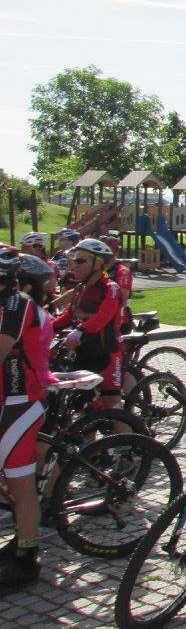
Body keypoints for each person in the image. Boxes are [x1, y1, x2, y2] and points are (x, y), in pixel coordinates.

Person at [0, 250, 55, 589]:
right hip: (6, 401)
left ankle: (27, 556)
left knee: (21, 484)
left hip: (21, 401)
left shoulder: (16, 304)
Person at [51, 238, 124, 411]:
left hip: (106, 352)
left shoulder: (110, 287)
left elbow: (103, 317)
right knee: (82, 405)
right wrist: (46, 327)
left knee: (112, 404)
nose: (74, 265)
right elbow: (69, 315)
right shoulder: (81, 288)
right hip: (84, 351)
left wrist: (80, 330)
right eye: (73, 259)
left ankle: (130, 429)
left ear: (98, 264)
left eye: (80, 260)